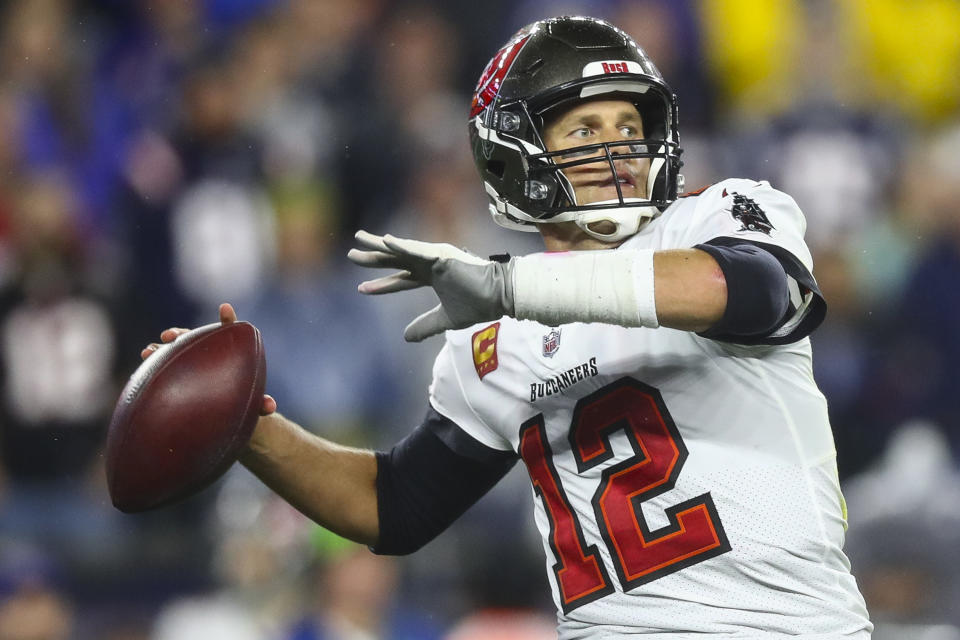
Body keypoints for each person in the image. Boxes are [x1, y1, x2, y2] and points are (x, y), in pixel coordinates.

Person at [143, 16, 873, 638]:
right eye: (586, 127)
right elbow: (394, 504)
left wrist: (508, 284)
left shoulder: (719, 214)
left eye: (630, 124)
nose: (618, 147)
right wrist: (247, 431)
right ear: (516, 155)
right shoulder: (494, 342)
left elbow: (750, 291)